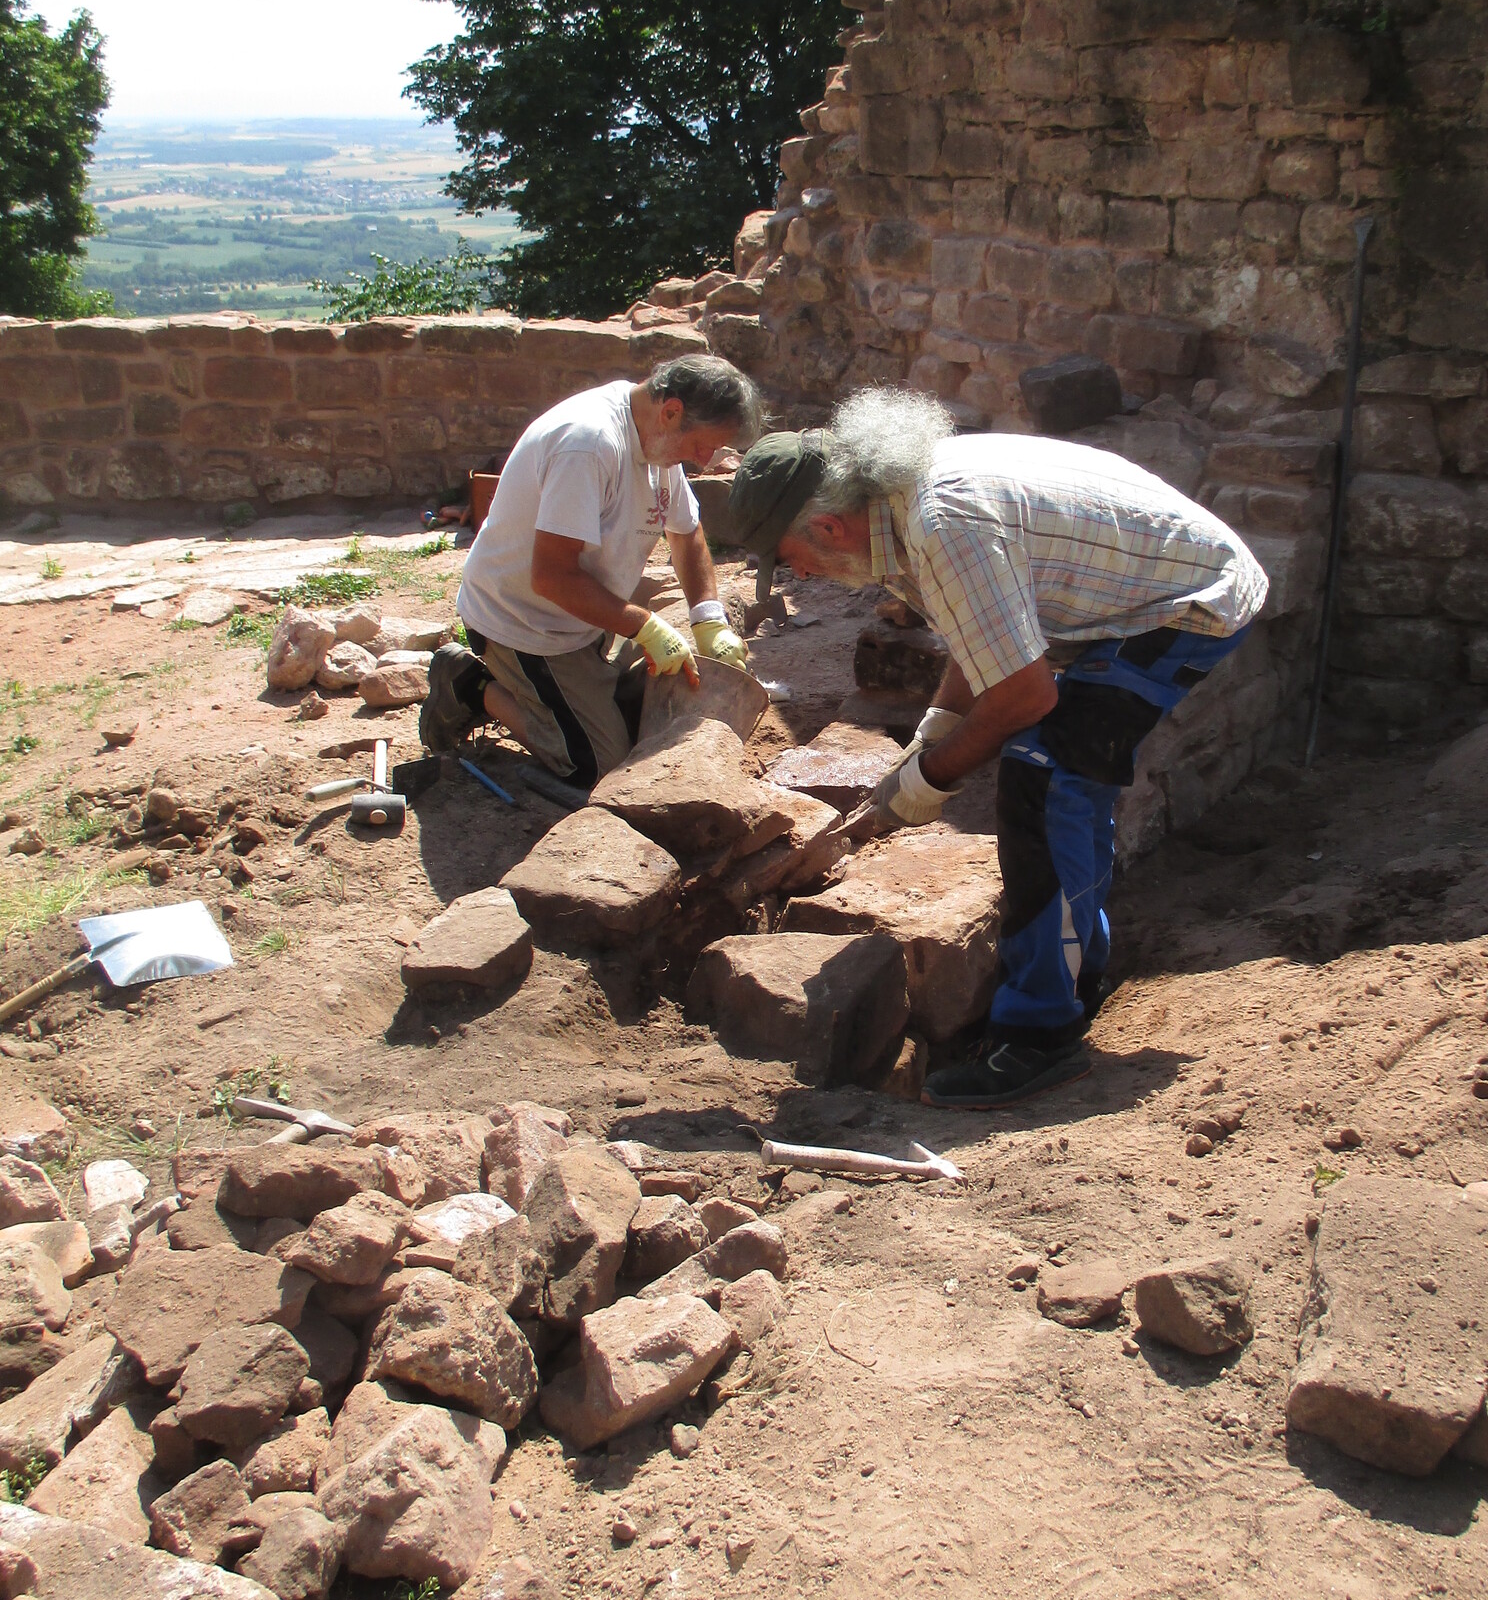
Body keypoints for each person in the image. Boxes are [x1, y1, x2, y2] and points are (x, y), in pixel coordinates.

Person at [724, 389, 1269, 1107]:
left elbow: (1022, 697)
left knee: (1046, 775)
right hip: (1123, 595)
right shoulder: (888, 508)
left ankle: (1041, 1036)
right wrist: (935, 729)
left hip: (1184, 603)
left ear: (827, 525)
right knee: (1060, 775)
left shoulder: (941, 521)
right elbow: (984, 635)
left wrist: (925, 783)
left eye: (789, 560)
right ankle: (1075, 974)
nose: (797, 577)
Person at [421, 354, 761, 785]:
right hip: (525, 626)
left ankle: (582, 693)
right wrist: (644, 627)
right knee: (599, 767)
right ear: (672, 411)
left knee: (661, 711)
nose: (706, 461)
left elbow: (686, 532)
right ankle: (471, 686)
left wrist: (708, 618)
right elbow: (551, 577)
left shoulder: (657, 441)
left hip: (582, 621)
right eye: (703, 446)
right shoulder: (588, 445)